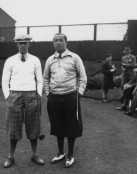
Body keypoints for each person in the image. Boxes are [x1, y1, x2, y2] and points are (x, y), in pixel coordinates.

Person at [43, 33, 87, 168]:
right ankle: (61, 152)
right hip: (54, 97)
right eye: (55, 41)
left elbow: (83, 78)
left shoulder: (74, 57)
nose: (58, 43)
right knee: (57, 125)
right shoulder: (50, 60)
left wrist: (78, 93)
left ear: (66, 42)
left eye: (60, 40)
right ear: (53, 43)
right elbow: (45, 78)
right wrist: (48, 93)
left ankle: (70, 155)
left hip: (70, 97)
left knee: (71, 126)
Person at [1, 34, 44, 168]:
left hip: (32, 95)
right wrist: (8, 96)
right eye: (20, 43)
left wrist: (38, 94)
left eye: (25, 43)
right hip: (14, 96)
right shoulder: (10, 60)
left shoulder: (35, 60)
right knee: (13, 128)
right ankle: (10, 157)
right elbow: (4, 80)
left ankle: (35, 155)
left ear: (29, 44)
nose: (23, 45)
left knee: (33, 127)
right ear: (17, 45)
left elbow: (40, 80)